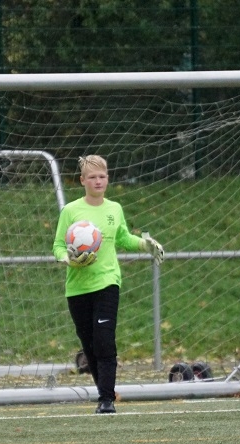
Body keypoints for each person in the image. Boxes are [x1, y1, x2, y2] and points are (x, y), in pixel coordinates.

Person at [52, 155, 164, 414]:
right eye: (92, 177)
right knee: (89, 344)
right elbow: (58, 245)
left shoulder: (114, 209)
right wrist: (66, 258)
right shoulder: (70, 211)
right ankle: (103, 392)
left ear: (108, 179)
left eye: (102, 176)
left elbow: (123, 238)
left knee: (104, 340)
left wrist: (145, 244)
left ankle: (106, 400)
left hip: (107, 283)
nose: (98, 181)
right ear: (82, 181)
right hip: (77, 288)